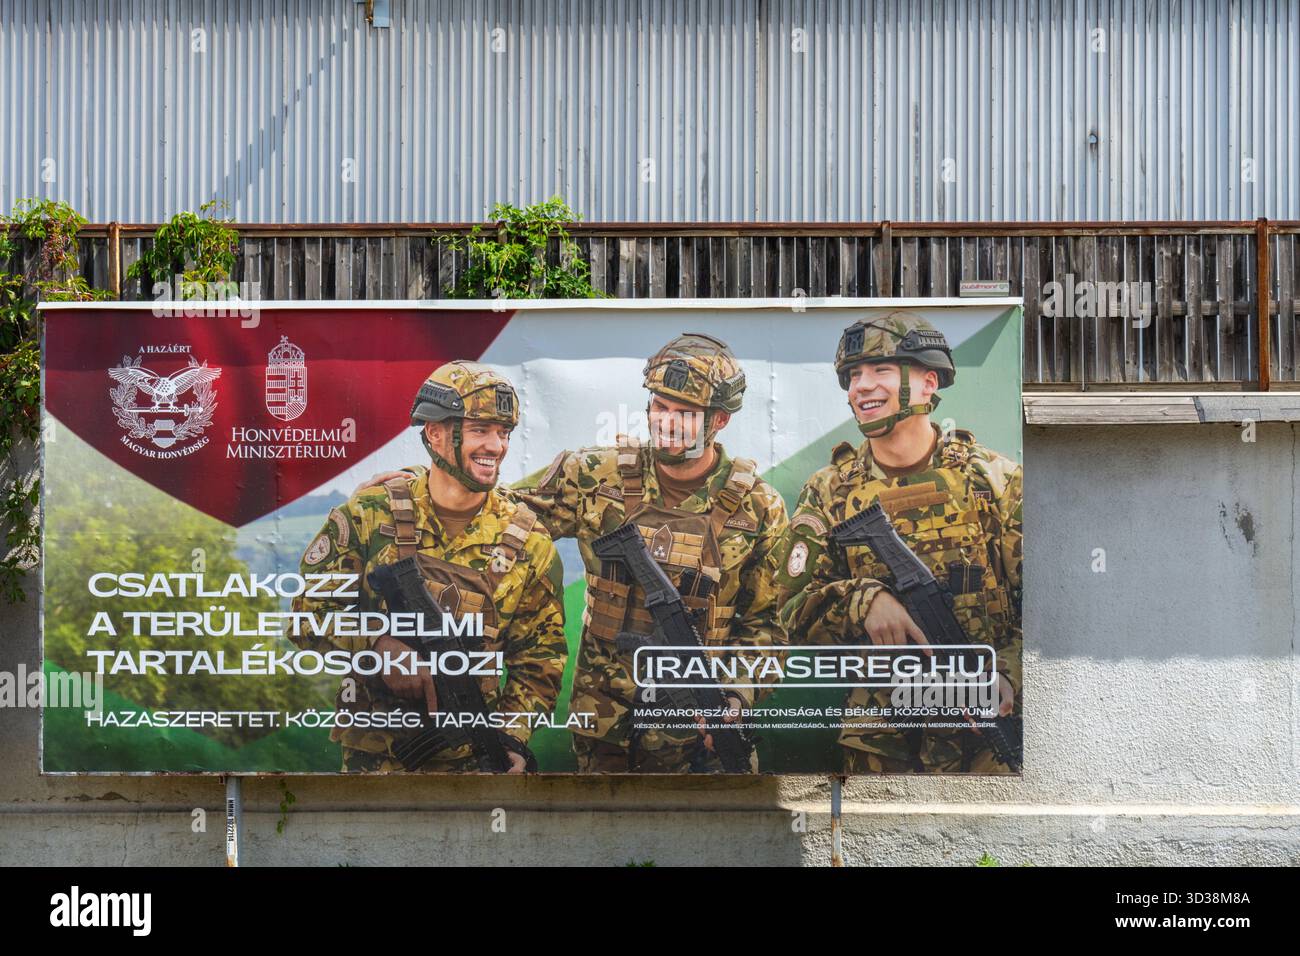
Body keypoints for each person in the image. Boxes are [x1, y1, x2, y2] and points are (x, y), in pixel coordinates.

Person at [770, 311, 1022, 773]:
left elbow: (1047, 608)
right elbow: (786, 609)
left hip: (985, 735)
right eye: (852, 375)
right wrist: (864, 601)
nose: (861, 386)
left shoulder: (993, 480)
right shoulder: (830, 491)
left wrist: (1007, 674)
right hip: (881, 741)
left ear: (928, 383)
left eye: (880, 370)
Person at [290, 361, 566, 772]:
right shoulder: (371, 514)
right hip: (375, 762)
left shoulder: (529, 541)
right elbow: (307, 618)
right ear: (435, 434)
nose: (496, 445)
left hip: (476, 763)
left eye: (503, 432)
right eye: (480, 430)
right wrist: (379, 648)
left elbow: (540, 662)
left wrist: (511, 738)